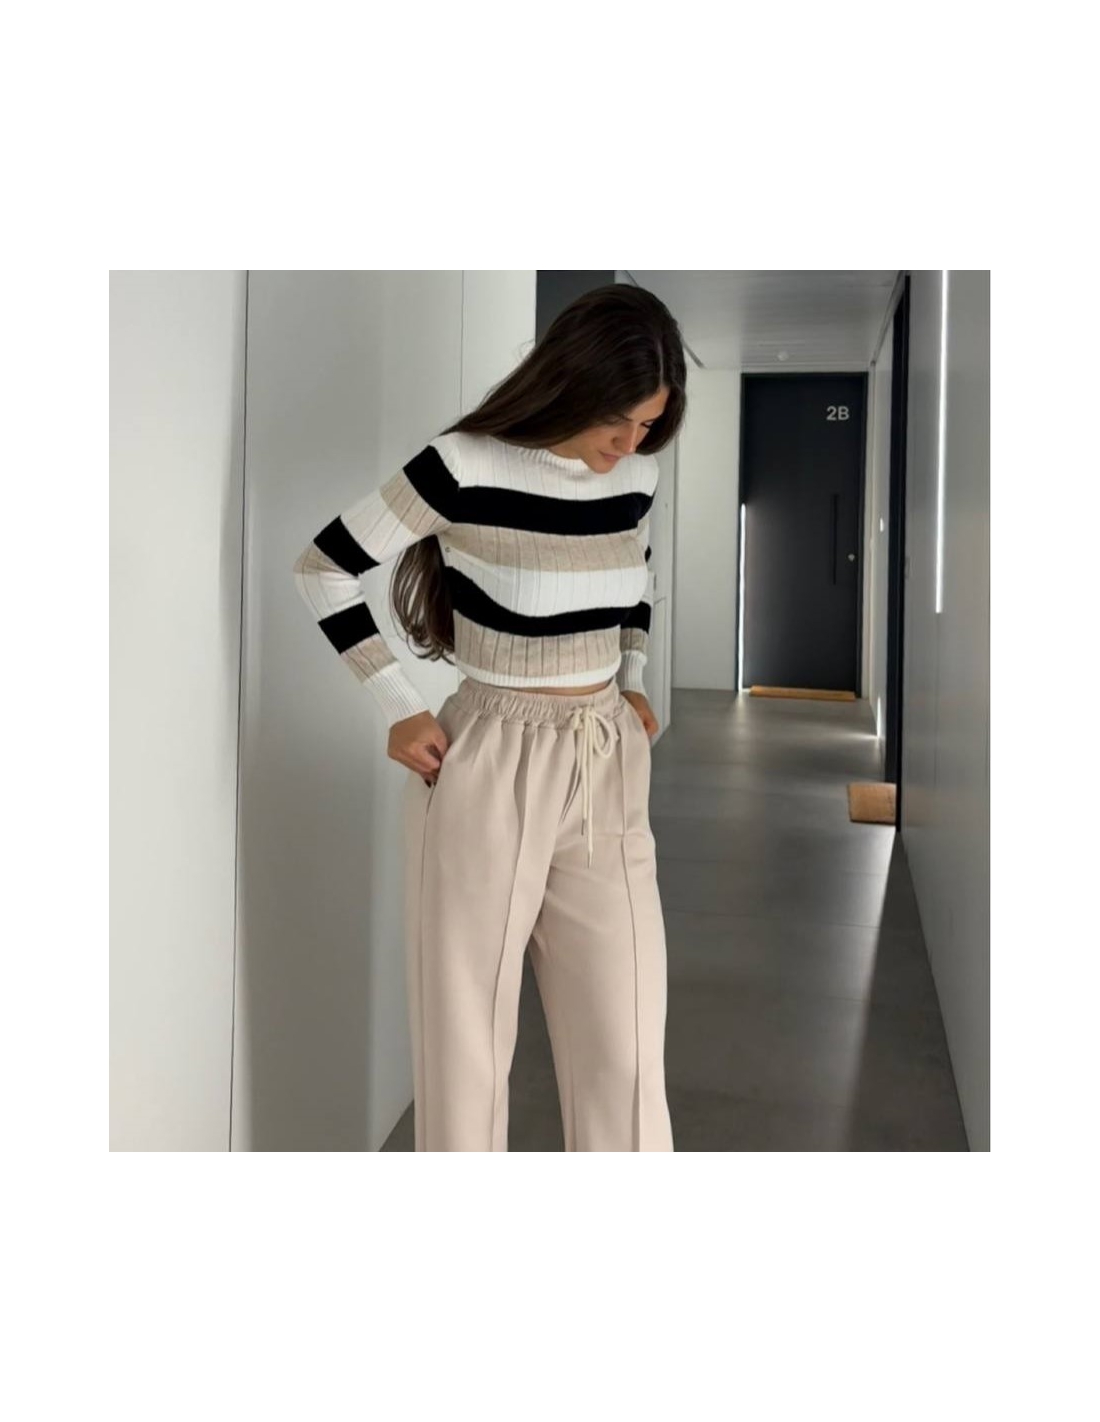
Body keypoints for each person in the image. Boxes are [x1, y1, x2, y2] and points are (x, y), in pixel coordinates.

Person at [293, 282, 687, 1151]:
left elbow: (635, 578)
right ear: (571, 386)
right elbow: (324, 567)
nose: (630, 445)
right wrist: (398, 705)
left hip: (606, 760)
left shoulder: (637, 475)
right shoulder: (463, 465)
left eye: (650, 425)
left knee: (626, 1050)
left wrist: (632, 674)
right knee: (466, 1047)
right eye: (617, 421)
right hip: (490, 759)